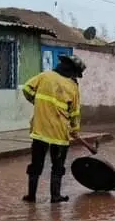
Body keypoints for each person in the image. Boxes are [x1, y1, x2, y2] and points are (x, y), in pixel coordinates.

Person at [21, 54, 90, 203]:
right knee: (57, 166)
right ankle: (55, 196)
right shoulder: (72, 87)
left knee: (35, 165)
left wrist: (37, 102)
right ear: (72, 71)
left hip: (40, 131)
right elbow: (75, 113)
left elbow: (26, 88)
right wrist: (74, 130)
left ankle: (31, 196)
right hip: (59, 134)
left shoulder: (44, 76)